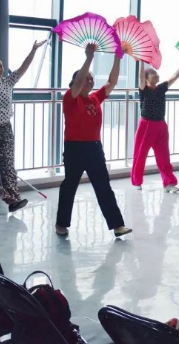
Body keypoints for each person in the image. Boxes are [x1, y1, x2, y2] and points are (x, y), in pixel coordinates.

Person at [56, 43, 132, 237]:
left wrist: (118, 57)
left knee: (103, 186)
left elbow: (112, 82)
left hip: (94, 148)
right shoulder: (70, 98)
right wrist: (89, 57)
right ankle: (61, 224)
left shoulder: (95, 98)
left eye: (91, 79)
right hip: (74, 148)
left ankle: (117, 226)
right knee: (70, 186)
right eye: (86, 79)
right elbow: (77, 83)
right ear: (76, 82)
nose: (89, 81)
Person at [0, 36, 46, 211]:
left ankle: (13, 199)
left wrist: (33, 50)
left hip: (5, 129)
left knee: (8, 166)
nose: (0, 69)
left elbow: (23, 68)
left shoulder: (7, 83)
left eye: (1, 66)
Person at [131, 56, 179, 191]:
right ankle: (137, 181)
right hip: (146, 125)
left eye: (156, 73)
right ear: (147, 78)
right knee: (140, 154)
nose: (156, 75)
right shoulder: (144, 89)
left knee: (164, 156)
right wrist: (142, 61)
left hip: (160, 125)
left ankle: (168, 183)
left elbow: (174, 77)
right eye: (153, 73)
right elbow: (140, 77)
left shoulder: (161, 88)